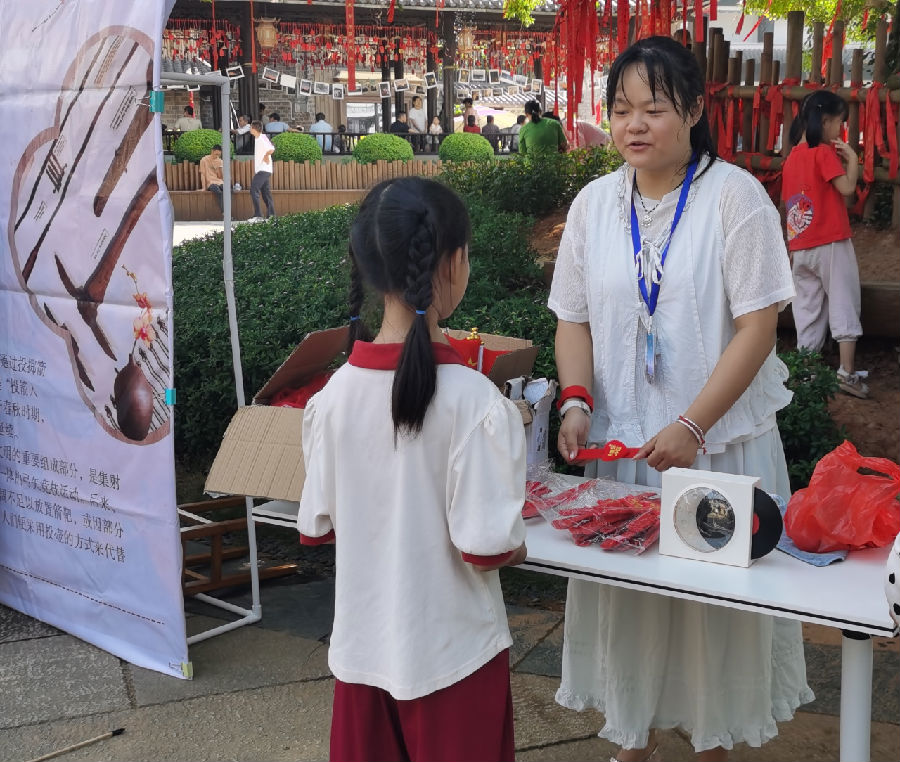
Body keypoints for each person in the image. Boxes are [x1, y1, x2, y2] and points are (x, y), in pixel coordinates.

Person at [549, 36, 813, 762]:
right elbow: (573, 318)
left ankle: (711, 745)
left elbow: (759, 326)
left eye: (654, 109)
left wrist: (694, 423)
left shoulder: (735, 196)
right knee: (632, 605)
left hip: (715, 449)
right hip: (625, 448)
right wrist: (576, 401)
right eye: (621, 109)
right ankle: (634, 740)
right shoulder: (595, 204)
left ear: (694, 110)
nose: (634, 125)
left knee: (709, 612)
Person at [298, 176, 528, 762]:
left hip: (362, 657)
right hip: (453, 660)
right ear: (451, 263)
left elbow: (319, 526)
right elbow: (487, 548)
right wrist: (521, 540)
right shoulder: (476, 404)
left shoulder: (331, 399)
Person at [781, 91, 868, 398]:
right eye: (840, 123)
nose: (839, 129)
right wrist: (853, 160)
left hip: (800, 245)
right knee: (844, 300)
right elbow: (846, 188)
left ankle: (806, 374)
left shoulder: (792, 158)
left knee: (807, 309)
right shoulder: (823, 153)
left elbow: (790, 203)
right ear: (826, 120)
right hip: (830, 241)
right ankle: (846, 373)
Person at [248, 120, 275, 221]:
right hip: (263, 169)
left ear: (254, 128)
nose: (250, 129)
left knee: (253, 190)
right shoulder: (258, 138)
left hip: (263, 169)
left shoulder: (262, 137)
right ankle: (271, 216)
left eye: (250, 127)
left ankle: (258, 215)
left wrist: (266, 155)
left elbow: (272, 148)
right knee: (265, 193)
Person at [198, 143, 224, 214]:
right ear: (212, 151)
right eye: (216, 154)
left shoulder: (220, 161)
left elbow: (220, 177)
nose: (217, 156)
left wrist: (219, 169)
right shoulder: (204, 160)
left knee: (228, 191)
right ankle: (225, 212)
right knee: (218, 192)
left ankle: (228, 212)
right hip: (210, 183)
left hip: (219, 181)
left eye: (219, 155)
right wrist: (204, 188)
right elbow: (203, 174)